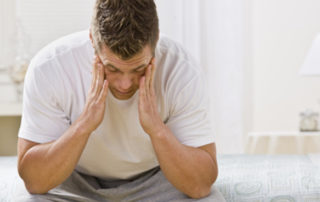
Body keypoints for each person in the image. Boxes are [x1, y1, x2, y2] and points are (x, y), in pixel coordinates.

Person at [15, 0, 225, 201]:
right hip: (73, 181)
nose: (125, 84)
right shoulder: (50, 67)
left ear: (156, 42)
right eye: (112, 68)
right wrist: (84, 125)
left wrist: (156, 129)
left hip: (158, 179)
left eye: (138, 69)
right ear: (91, 39)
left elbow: (201, 185)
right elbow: (35, 182)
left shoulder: (182, 70)